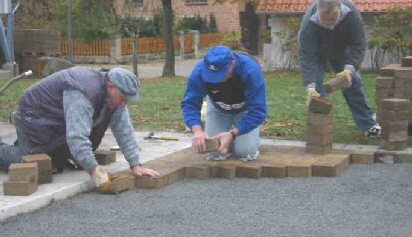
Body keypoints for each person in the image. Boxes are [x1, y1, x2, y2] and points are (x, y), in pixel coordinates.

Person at [0, 67, 159, 193]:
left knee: (57, 161)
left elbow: (123, 128)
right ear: (111, 87)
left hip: (57, 118)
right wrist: (94, 171)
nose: (125, 104)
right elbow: (76, 137)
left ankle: (30, 146)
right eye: (124, 99)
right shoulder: (83, 91)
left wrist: (135, 164)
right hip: (34, 114)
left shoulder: (114, 94)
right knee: (32, 157)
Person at [298, 0, 381, 137]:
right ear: (318, 10)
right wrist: (310, 85)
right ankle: (317, 133)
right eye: (324, 19)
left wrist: (349, 69)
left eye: (331, 19)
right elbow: (307, 56)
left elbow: (359, 44)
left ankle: (368, 125)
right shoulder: (310, 22)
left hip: (340, 47)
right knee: (316, 91)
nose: (327, 22)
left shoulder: (351, 14)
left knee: (352, 83)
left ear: (339, 11)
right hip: (315, 50)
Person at [181, 45, 266, 161]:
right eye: (210, 75)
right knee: (214, 151)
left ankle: (238, 136)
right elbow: (190, 102)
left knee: (245, 152)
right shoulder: (199, 70)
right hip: (218, 107)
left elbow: (258, 111)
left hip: (245, 110)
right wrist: (197, 131)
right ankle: (228, 139)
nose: (215, 79)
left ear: (232, 64)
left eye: (220, 74)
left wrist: (232, 134)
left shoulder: (250, 69)